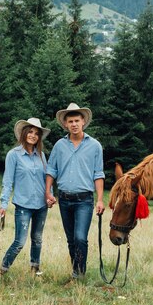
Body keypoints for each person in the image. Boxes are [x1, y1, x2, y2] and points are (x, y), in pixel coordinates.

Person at [45, 103, 105, 280]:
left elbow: (98, 174)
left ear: (83, 121)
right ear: (65, 124)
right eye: (70, 121)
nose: (74, 124)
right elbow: (51, 170)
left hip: (84, 200)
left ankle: (79, 273)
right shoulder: (59, 145)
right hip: (64, 199)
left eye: (77, 120)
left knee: (80, 238)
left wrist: (100, 199)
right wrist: (48, 191)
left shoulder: (94, 146)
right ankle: (76, 270)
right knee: (71, 239)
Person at [0, 117, 51, 275]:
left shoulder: (41, 155)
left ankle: (35, 268)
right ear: (24, 133)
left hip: (41, 205)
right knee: (20, 242)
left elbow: (47, 178)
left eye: (36, 133)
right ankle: (4, 268)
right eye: (30, 131)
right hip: (23, 205)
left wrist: (50, 196)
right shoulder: (13, 155)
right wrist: (3, 204)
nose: (33, 135)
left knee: (37, 239)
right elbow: (7, 181)